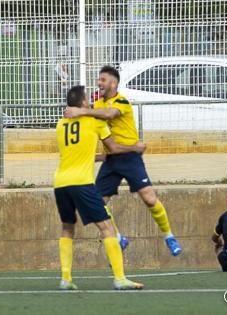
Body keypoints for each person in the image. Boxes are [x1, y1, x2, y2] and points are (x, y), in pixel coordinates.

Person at [64, 65, 183, 257]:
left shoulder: (122, 102)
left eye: (102, 80)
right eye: (98, 80)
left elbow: (110, 114)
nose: (99, 83)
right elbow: (85, 114)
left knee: (149, 199)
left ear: (113, 83)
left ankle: (169, 236)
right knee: (97, 204)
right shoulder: (97, 105)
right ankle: (119, 239)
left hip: (129, 158)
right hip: (111, 159)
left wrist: (82, 112)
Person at [54, 86, 146, 290]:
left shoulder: (61, 125)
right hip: (82, 183)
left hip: (60, 183)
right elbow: (114, 147)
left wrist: (100, 157)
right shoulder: (96, 122)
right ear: (84, 103)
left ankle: (65, 279)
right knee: (107, 228)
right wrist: (134, 147)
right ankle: (120, 278)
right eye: (88, 99)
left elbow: (75, 153)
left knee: (67, 227)